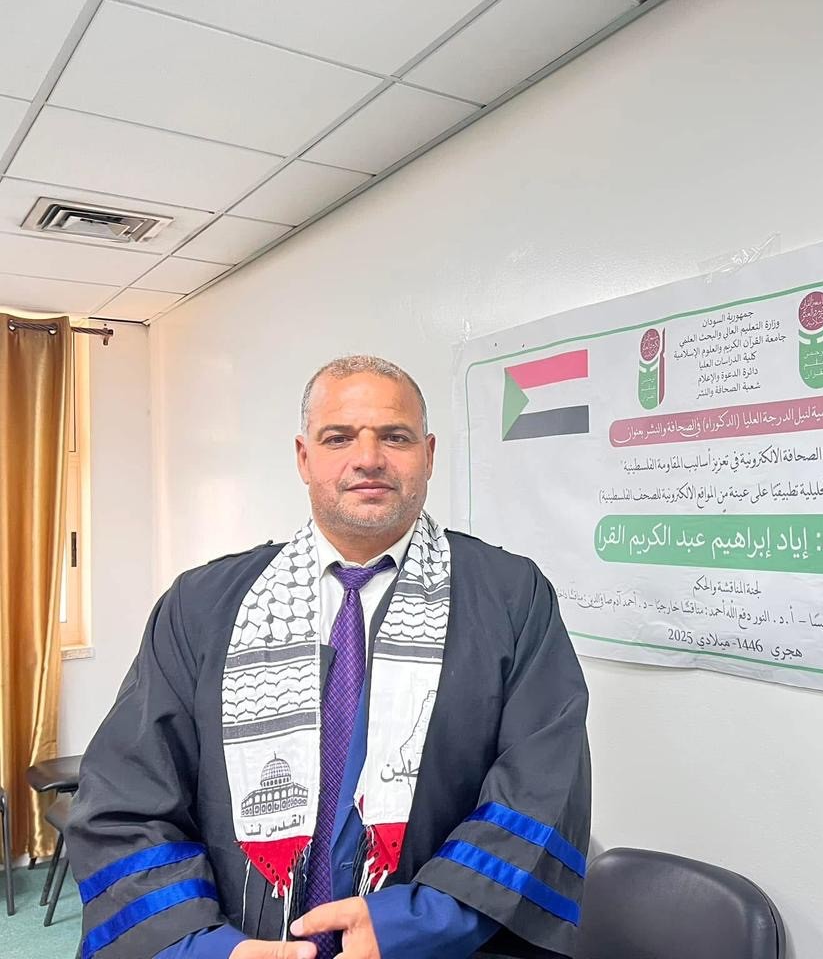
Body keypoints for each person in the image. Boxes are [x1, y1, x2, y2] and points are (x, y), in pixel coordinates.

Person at [66, 356, 591, 959]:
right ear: (303, 457)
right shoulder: (201, 606)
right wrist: (204, 948)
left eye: (395, 437)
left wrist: (415, 925)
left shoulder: (512, 598)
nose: (368, 458)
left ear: (428, 455)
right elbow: (128, 799)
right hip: (240, 939)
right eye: (338, 438)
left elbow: (540, 789)